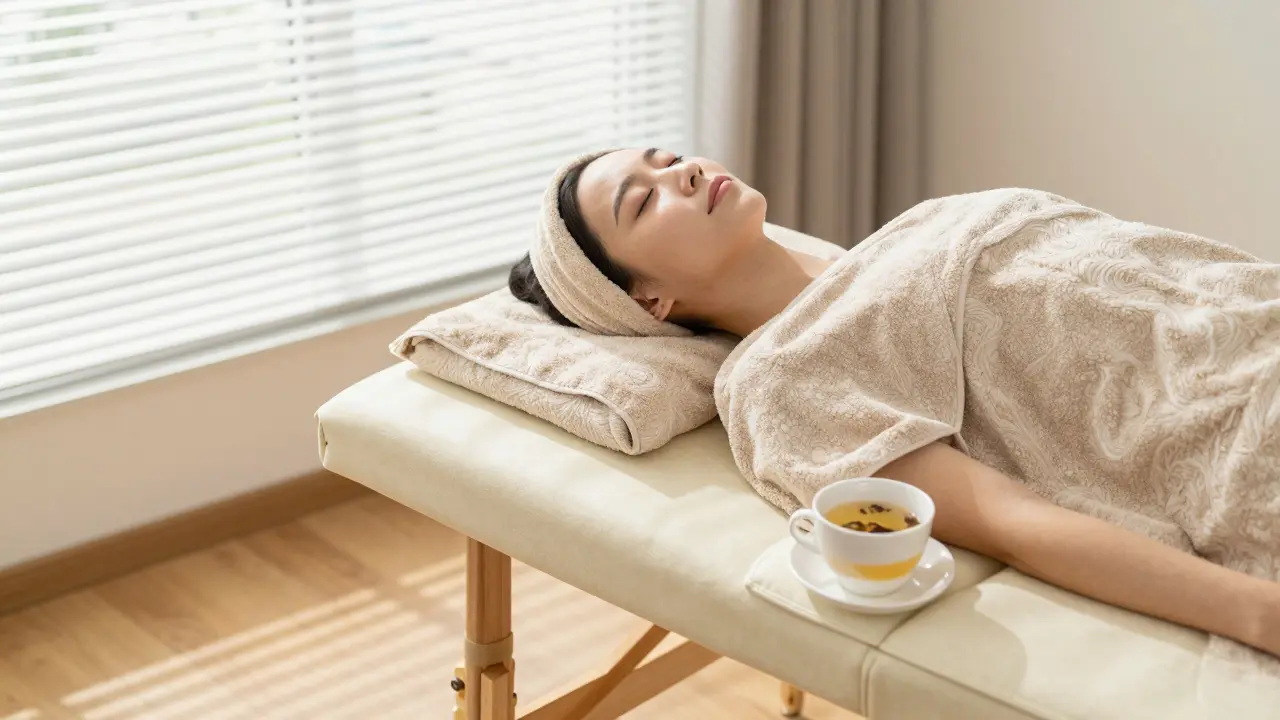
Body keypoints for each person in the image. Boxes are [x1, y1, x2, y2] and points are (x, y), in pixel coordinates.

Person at [509, 148, 1280, 658]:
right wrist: (1258, 614)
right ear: (650, 299)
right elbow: (1014, 523)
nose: (680, 173)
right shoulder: (784, 378)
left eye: (667, 158)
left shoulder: (914, 228)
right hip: (1234, 423)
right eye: (643, 202)